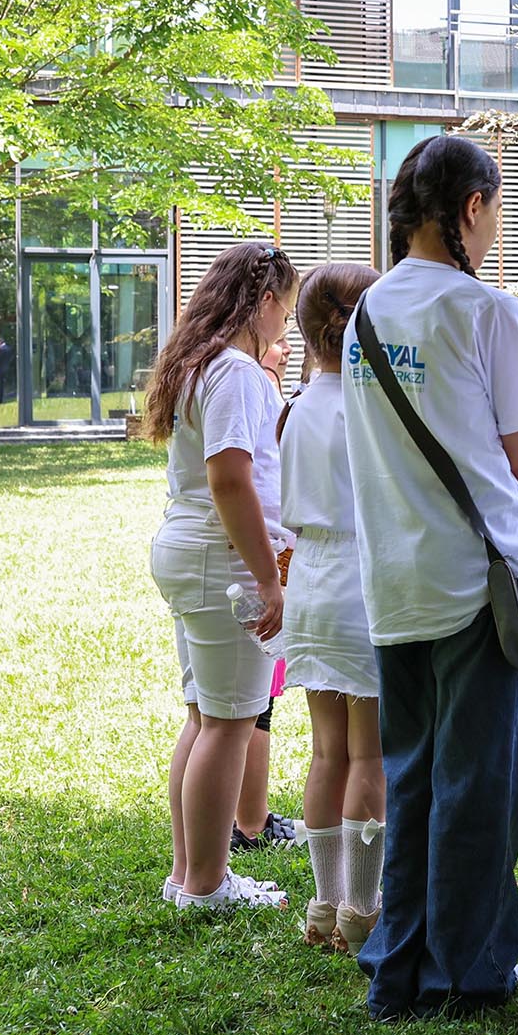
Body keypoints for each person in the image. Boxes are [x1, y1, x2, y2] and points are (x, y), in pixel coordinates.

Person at [342, 135, 518, 1019]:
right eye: (497, 209)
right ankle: (464, 971)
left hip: (392, 576)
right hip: (479, 579)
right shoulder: (486, 310)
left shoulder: (362, 314)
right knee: (481, 786)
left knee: (416, 774)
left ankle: (400, 957)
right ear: (472, 207)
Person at [143, 241, 300, 911]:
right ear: (263, 301)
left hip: (189, 549)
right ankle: (208, 882)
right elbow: (232, 477)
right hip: (222, 559)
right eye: (285, 312)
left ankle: (189, 873)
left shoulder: (198, 363)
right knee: (231, 720)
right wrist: (270, 578)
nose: (286, 326)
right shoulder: (234, 372)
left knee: (205, 717)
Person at [279, 262, 386, 955]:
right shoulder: (365, 407)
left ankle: (323, 902)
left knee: (324, 753)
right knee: (369, 755)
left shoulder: (295, 405)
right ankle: (363, 908)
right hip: (360, 578)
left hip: (309, 586)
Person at [234, 332, 307, 856]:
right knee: (259, 699)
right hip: (269, 563)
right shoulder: (253, 385)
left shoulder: (247, 385)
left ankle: (248, 818)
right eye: (279, 339)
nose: (285, 351)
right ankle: (251, 823)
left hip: (269, 558)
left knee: (259, 696)